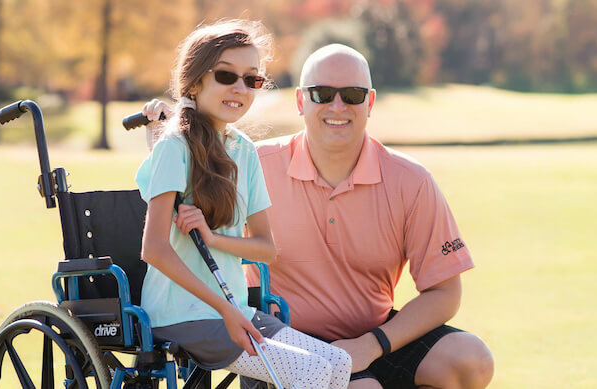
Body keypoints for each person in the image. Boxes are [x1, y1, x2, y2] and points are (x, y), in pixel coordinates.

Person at [144, 44, 494, 389]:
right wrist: (178, 119)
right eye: (322, 93)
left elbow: (445, 292)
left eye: (352, 95)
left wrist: (371, 345)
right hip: (283, 337)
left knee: (471, 359)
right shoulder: (250, 161)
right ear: (300, 101)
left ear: (369, 103)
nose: (337, 106)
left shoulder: (412, 181)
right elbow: (190, 165)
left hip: (375, 338)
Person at [135, 20, 351, 389]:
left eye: (251, 80)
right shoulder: (175, 147)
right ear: (194, 82)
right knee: (311, 372)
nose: (240, 88)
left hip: (233, 310)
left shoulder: (245, 152)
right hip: (180, 314)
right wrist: (224, 309)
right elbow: (154, 250)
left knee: (338, 362)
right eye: (225, 75)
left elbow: (266, 248)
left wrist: (212, 237)